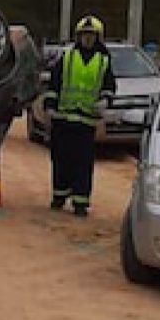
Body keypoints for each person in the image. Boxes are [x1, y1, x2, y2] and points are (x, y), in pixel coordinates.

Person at [42, 16, 116, 217]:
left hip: (86, 122)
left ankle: (80, 202)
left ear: (98, 37)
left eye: (91, 35)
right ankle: (59, 196)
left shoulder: (103, 61)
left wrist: (105, 101)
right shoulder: (67, 57)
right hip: (63, 119)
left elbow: (109, 86)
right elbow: (54, 84)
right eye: (84, 35)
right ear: (78, 36)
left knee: (83, 164)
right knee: (60, 160)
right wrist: (49, 106)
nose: (88, 39)